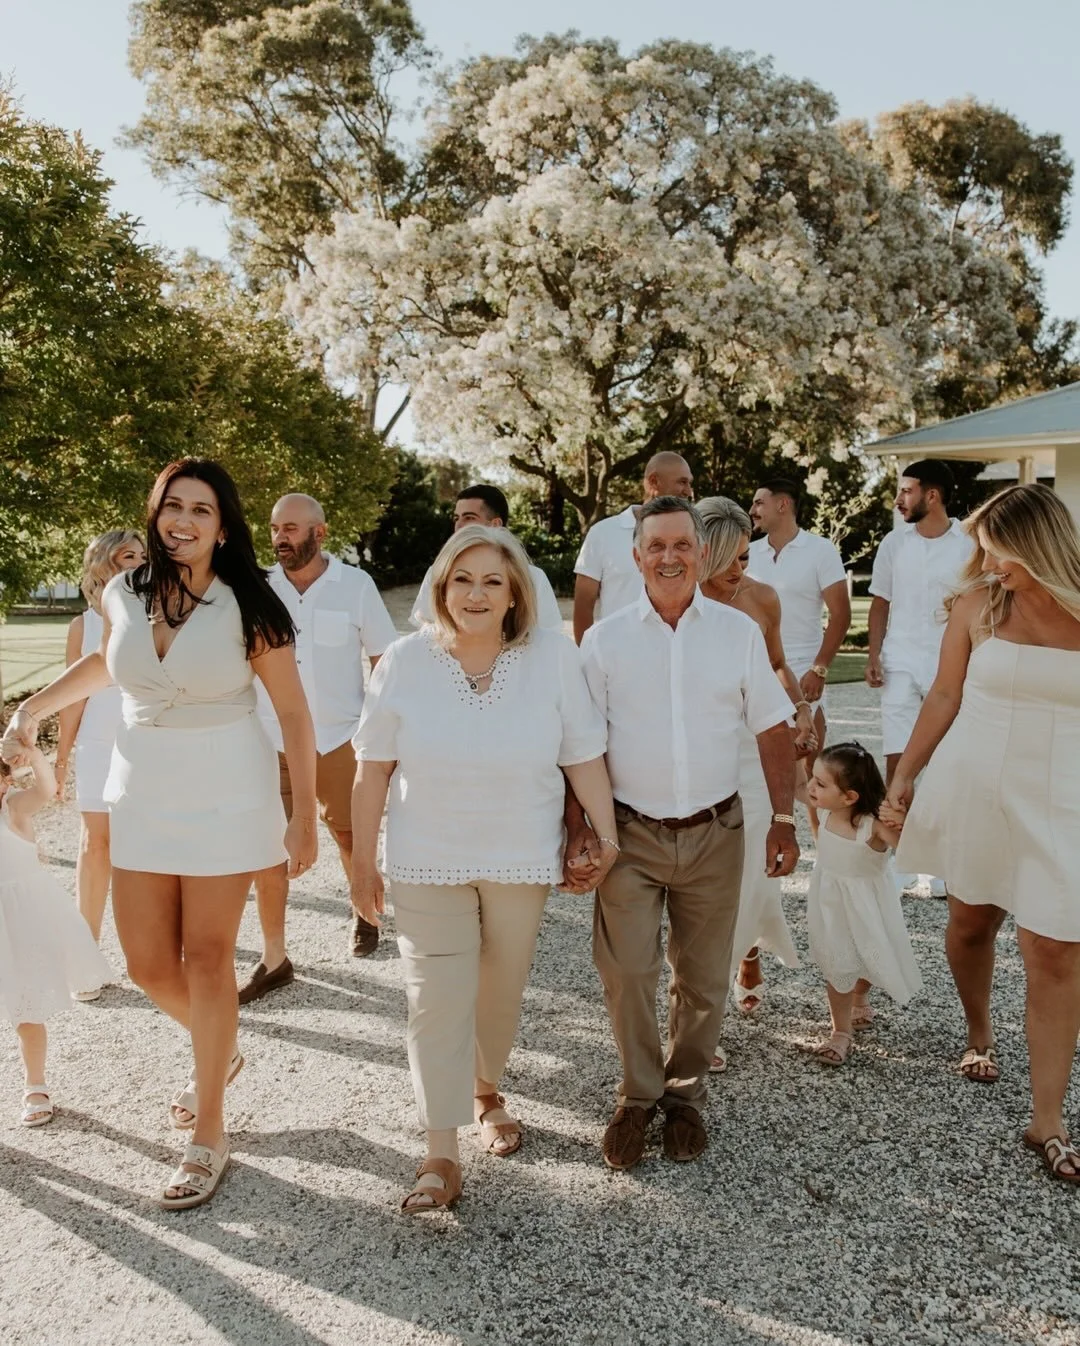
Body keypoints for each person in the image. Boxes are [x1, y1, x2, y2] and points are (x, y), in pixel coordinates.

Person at [2, 459, 317, 1210]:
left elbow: (294, 713)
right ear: (155, 512)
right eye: (173, 506)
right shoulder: (124, 591)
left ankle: (209, 1132)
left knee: (207, 958)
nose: (183, 521)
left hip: (227, 791)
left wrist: (304, 812)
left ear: (223, 526)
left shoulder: (251, 602)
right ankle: (220, 1049)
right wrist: (30, 711)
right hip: (142, 791)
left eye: (201, 510)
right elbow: (106, 663)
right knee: (146, 965)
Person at [351, 524, 616, 1213]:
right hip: (424, 857)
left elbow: (582, 753)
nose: (476, 593)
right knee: (434, 999)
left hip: (520, 856)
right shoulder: (403, 661)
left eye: (492, 581)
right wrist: (360, 863)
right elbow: (372, 767)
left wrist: (607, 837)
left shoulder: (553, 656)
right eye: (462, 580)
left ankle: (484, 1089)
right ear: (442, 588)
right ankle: (440, 1152)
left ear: (514, 594)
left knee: (499, 990)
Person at [581, 497, 799, 1170]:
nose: (670, 557)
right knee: (627, 971)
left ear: (702, 554)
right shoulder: (604, 641)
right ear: (636, 556)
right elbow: (580, 745)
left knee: (703, 980)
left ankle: (684, 1096)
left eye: (683, 545)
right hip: (629, 835)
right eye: (657, 546)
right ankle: (638, 1096)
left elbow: (773, 727)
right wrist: (579, 829)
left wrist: (784, 819)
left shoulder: (736, 633)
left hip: (716, 831)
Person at [883, 483, 1080, 1185]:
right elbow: (944, 694)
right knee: (971, 926)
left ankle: (1047, 1121)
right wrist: (904, 777)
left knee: (1055, 948)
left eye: (1001, 554)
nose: (990, 566)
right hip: (981, 784)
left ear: (1039, 547)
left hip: (1065, 795)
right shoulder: (979, 604)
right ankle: (978, 1030)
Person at [244, 493, 398, 998]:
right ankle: (274, 955)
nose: (280, 538)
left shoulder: (356, 586)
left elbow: (384, 661)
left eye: (290, 528)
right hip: (269, 738)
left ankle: (364, 914)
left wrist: (380, 731)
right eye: (274, 529)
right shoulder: (256, 588)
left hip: (339, 737)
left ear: (320, 533)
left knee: (351, 836)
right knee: (267, 845)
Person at [696, 496, 815, 1067]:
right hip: (700, 750)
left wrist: (800, 709)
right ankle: (703, 1011)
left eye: (744, 557)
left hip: (756, 748)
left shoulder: (762, 598)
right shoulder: (679, 601)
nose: (738, 569)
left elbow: (777, 665)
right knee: (705, 884)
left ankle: (742, 950)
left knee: (753, 875)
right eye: (727, 558)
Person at [865, 460, 973, 898]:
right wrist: (873, 654)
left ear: (932, 495)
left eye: (906, 490)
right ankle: (903, 858)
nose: (898, 499)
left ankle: (943, 863)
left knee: (948, 763)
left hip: (952, 665)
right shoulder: (894, 543)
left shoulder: (970, 543)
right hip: (900, 663)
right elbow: (880, 602)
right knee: (898, 763)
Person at [54, 530, 145, 999]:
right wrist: (61, 757)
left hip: (149, 742)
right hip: (97, 743)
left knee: (146, 846)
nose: (140, 562)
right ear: (104, 563)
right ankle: (84, 956)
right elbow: (73, 699)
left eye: (144, 555)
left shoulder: (163, 614)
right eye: (129, 555)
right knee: (95, 845)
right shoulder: (83, 626)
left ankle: (151, 955)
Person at [0, 745, 112, 1126]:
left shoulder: (14, 809)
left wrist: (32, 754)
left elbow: (46, 790)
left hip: (19, 924)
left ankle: (35, 1084)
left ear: (4, 782)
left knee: (26, 1009)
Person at [805, 743, 921, 1067]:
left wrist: (903, 822)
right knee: (838, 964)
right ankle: (840, 1031)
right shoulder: (823, 810)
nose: (810, 787)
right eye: (812, 778)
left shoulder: (874, 827)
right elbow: (797, 786)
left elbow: (911, 851)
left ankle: (861, 995)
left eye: (820, 783)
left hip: (868, 906)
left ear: (849, 797)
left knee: (869, 956)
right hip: (831, 904)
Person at [747, 478, 850, 743]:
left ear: (782, 505)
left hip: (804, 668)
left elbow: (841, 615)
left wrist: (819, 669)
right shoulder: (747, 552)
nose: (752, 510)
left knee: (806, 750)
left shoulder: (821, 550)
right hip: (755, 667)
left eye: (759, 503)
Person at [573, 452, 694, 643]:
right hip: (616, 653)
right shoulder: (603, 533)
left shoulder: (694, 536)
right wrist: (586, 656)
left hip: (676, 653)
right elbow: (583, 605)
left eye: (689, 483)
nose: (688, 491)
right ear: (654, 481)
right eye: (682, 482)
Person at [411, 484, 563, 632]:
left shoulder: (533, 577)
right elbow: (425, 626)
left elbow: (549, 633)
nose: (459, 526)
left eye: (469, 518)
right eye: (456, 518)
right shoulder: (438, 571)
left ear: (495, 524)